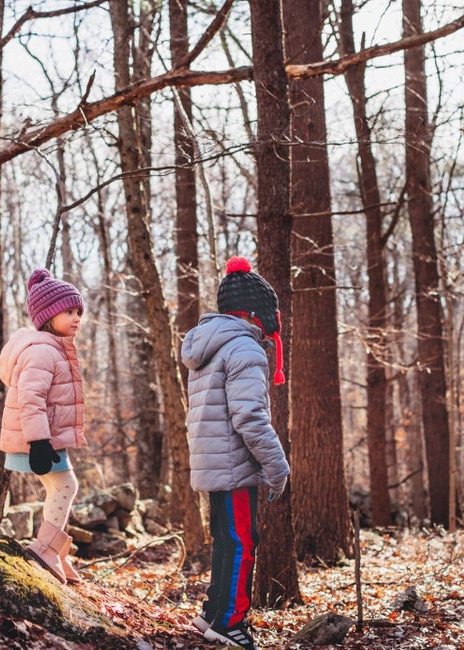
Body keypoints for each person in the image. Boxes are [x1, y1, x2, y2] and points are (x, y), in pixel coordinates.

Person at [180, 255, 291, 650]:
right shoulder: (244, 348)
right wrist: (277, 466)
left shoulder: (209, 343)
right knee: (242, 540)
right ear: (256, 312)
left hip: (213, 460)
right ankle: (229, 622)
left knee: (227, 539)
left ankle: (212, 613)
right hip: (234, 462)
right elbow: (250, 417)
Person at [0, 269, 87, 584]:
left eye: (78, 312)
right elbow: (30, 399)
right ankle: (45, 549)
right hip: (38, 439)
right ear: (49, 316)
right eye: (69, 311)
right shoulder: (42, 351)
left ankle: (58, 552)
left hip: (48, 438)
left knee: (60, 487)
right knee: (66, 486)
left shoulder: (54, 348)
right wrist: (38, 442)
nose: (76, 318)